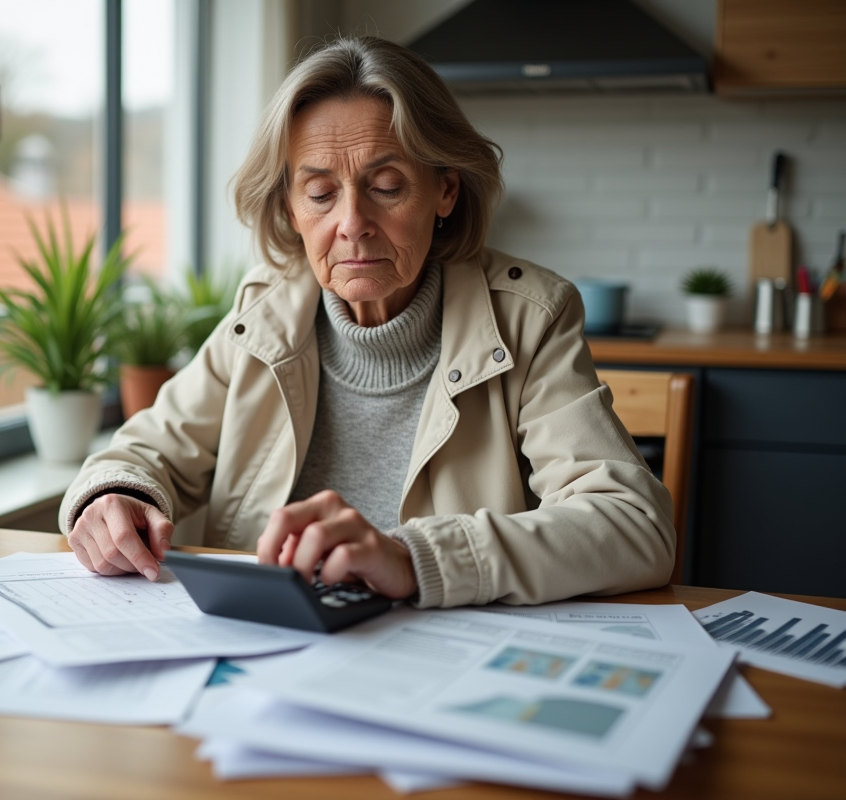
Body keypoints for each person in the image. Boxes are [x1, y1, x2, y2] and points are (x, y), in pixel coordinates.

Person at [60, 36, 674, 608]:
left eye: (386, 185)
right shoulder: (264, 313)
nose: (352, 223)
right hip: (267, 647)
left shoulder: (530, 319)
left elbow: (634, 526)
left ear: (446, 193)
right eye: (321, 194)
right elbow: (143, 454)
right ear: (290, 209)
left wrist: (415, 557)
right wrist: (118, 497)